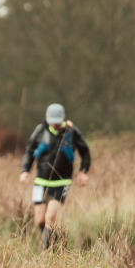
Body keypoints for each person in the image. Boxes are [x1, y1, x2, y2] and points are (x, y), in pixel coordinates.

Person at [19, 102, 91, 249]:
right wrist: (25, 170)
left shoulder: (71, 131)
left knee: (50, 216)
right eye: (52, 122)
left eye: (58, 122)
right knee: (40, 220)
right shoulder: (40, 130)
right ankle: (57, 241)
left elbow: (85, 151)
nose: (55, 125)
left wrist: (83, 171)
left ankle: (48, 253)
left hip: (61, 182)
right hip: (41, 181)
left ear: (63, 118)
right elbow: (29, 151)